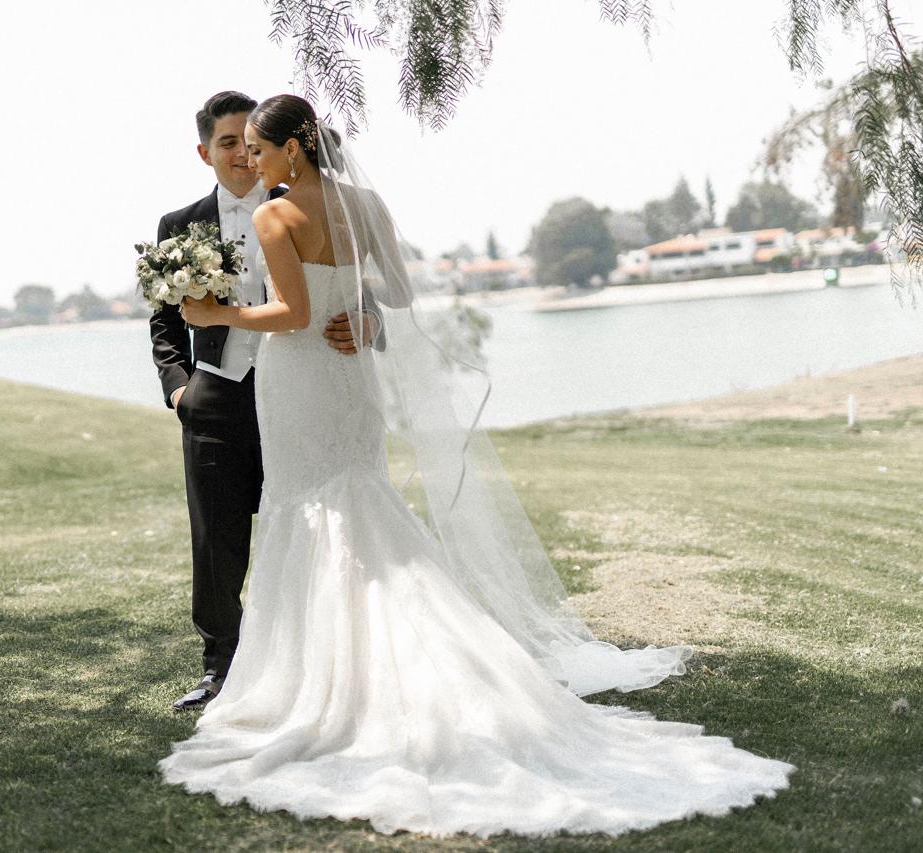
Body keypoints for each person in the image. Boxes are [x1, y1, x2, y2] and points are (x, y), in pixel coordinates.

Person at [163, 93, 794, 837]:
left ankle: (324, 680)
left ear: (291, 149)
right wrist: (359, 309)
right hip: (350, 380)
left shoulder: (274, 214)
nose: (253, 164)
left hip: (299, 378)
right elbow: (395, 290)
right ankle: (403, 656)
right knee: (362, 501)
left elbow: (292, 316)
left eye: (261, 152)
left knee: (314, 512)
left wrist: (217, 315)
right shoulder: (364, 202)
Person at [150, 91, 383, 711]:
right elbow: (165, 324)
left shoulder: (304, 207)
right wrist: (179, 390)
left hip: (297, 392)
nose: (243, 158)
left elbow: (354, 284)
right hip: (217, 401)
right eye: (228, 144)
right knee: (217, 542)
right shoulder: (180, 226)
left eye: (249, 145)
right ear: (206, 152)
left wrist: (369, 319)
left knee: (311, 526)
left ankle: (322, 661)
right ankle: (221, 669)